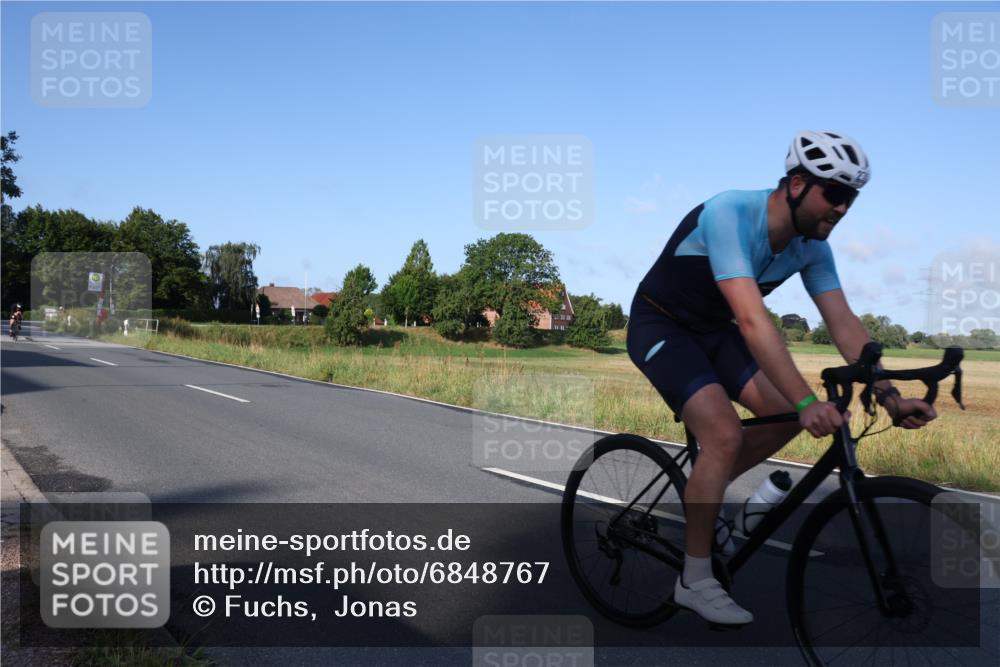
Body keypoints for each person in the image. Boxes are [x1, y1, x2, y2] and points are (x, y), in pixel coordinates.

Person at [626, 130, 938, 625]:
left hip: (712, 331)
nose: (842, 208)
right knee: (726, 433)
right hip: (660, 324)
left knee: (780, 418)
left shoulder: (812, 247)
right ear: (796, 184)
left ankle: (701, 502)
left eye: (851, 199)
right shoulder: (730, 212)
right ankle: (694, 578)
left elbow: (843, 323)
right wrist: (805, 400)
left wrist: (890, 394)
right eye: (834, 193)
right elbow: (752, 322)